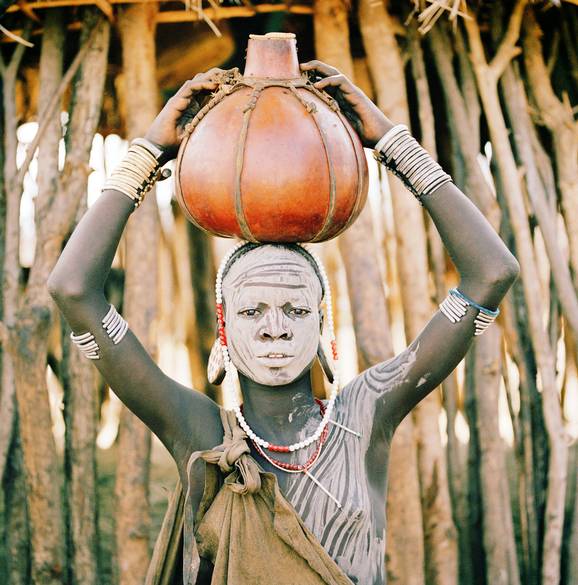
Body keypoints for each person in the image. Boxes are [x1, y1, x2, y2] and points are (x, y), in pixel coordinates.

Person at [48, 60, 520, 585]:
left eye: (296, 310)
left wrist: (391, 142)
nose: (276, 328)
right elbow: (72, 289)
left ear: (323, 324)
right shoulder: (200, 433)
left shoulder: (366, 417)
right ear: (224, 328)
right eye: (253, 311)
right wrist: (148, 152)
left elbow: (491, 273)